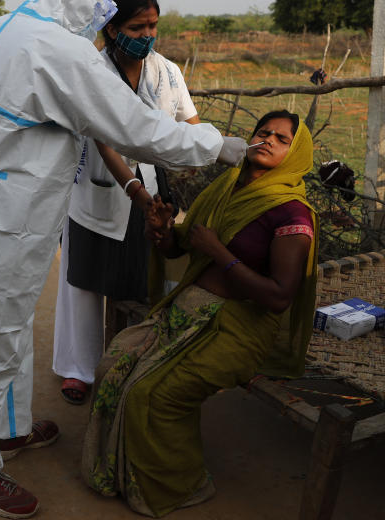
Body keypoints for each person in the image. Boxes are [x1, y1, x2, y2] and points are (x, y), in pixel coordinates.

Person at [0, 0, 249, 519]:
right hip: (9, 211)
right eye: (102, 7)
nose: (99, 17)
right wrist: (220, 146)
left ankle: (5, 431)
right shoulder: (59, 52)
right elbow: (136, 130)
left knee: (2, 321)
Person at [82, 110, 318, 517]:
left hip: (238, 327)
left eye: (282, 139)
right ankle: (119, 472)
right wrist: (162, 231)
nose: (268, 140)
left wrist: (218, 253)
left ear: (296, 154)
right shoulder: (226, 186)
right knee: (114, 366)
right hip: (187, 310)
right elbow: (180, 250)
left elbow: (279, 297)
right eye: (263, 132)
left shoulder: (291, 213)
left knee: (153, 394)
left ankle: (180, 486)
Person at [53, 0, 200, 405]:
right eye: (137, 27)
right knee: (83, 280)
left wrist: (195, 153)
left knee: (139, 279)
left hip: (152, 190)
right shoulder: (92, 72)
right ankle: (77, 369)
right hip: (97, 186)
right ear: (112, 29)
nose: (148, 34)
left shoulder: (167, 71)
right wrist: (134, 189)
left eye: (153, 25)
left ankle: (128, 362)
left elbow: (189, 122)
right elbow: (105, 140)